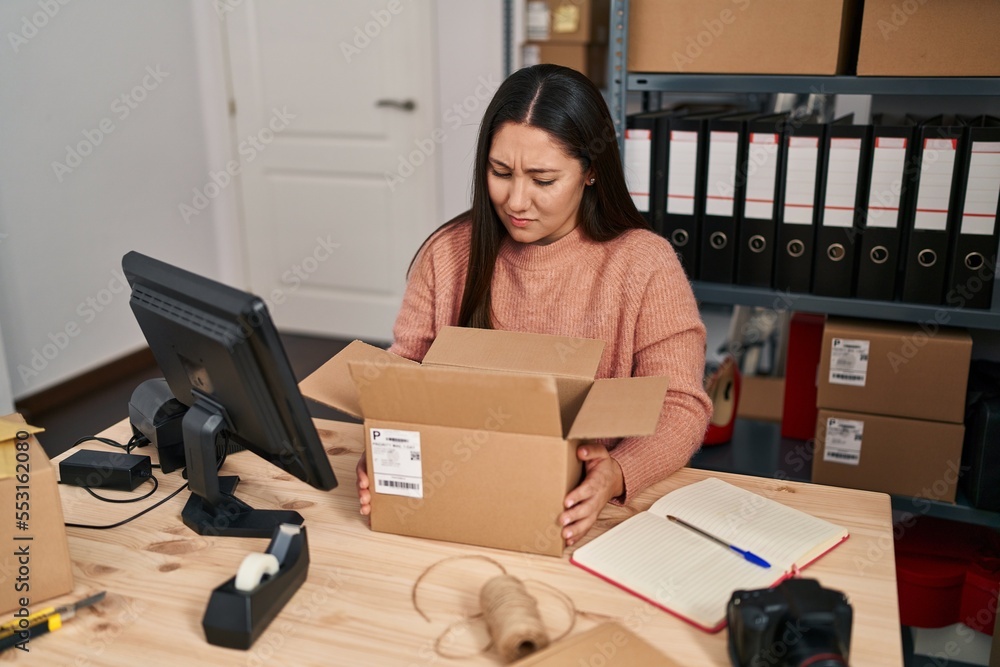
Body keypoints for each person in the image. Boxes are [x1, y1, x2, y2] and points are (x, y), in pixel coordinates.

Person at [356, 64, 711, 547]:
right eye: (500, 172)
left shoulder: (643, 264)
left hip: (578, 515)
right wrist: (382, 451)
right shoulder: (447, 253)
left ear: (589, 172)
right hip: (453, 495)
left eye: (543, 179)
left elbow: (681, 404)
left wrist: (619, 473)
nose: (516, 200)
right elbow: (403, 378)